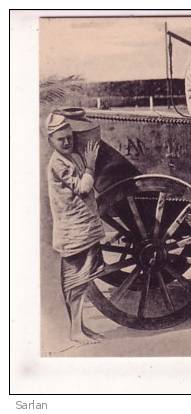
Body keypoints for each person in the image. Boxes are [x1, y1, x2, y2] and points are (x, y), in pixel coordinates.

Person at [46, 111, 105, 344]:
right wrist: (90, 166)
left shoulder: (72, 157)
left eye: (69, 137)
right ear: (50, 140)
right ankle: (75, 332)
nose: (67, 141)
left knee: (85, 278)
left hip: (84, 228)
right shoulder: (57, 163)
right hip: (73, 232)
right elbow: (82, 188)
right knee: (76, 282)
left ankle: (80, 327)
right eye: (61, 139)